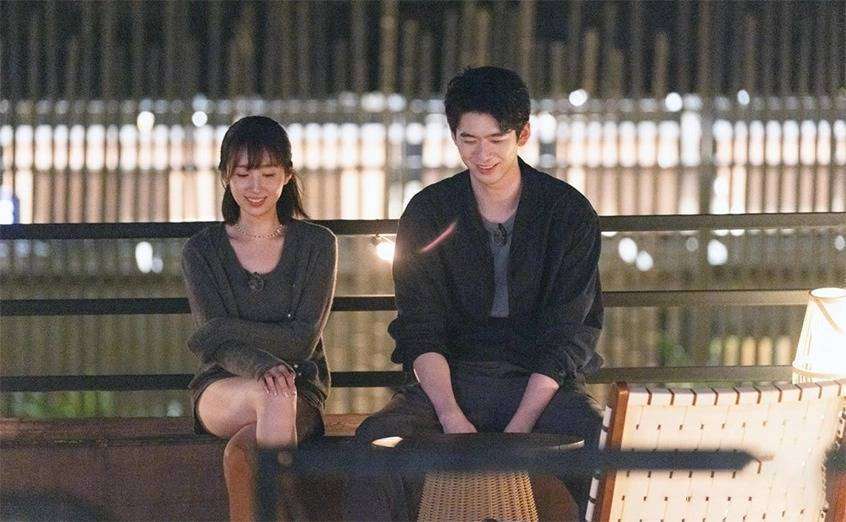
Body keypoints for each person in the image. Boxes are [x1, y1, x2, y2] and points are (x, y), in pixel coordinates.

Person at [351, 66, 604, 519]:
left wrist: (519, 428)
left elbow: (570, 333)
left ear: (523, 134)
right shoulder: (429, 211)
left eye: (496, 139)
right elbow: (420, 327)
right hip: (451, 379)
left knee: (604, 446)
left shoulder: (567, 212)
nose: (482, 154)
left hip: (541, 383)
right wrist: (450, 414)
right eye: (468, 139)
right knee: (376, 443)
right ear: (454, 136)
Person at [182, 115, 337, 449]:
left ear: (287, 175)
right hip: (223, 385)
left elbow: (301, 342)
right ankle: (273, 485)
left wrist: (220, 328)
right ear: (225, 175)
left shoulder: (317, 244)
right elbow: (218, 349)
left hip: (298, 387)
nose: (256, 188)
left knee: (276, 398)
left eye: (268, 175)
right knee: (271, 393)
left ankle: (256, 482)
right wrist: (262, 365)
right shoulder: (202, 250)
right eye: (243, 175)